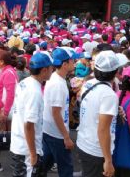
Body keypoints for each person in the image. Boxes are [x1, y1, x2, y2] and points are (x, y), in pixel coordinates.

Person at [77, 50, 120, 177]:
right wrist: (108, 160)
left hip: (84, 142)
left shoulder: (89, 83)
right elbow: (103, 129)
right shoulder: (109, 95)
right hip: (96, 151)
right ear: (115, 72)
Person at [10, 52, 53, 177]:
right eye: (51, 68)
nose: (52, 70)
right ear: (44, 70)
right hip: (26, 149)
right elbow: (29, 124)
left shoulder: (25, 82)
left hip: (20, 142)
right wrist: (33, 154)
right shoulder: (35, 92)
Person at [41, 48, 77, 177]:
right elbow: (55, 112)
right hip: (56, 133)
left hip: (50, 130)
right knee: (66, 167)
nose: (75, 62)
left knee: (45, 163)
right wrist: (66, 137)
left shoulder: (57, 79)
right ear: (64, 64)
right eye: (72, 60)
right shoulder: (58, 84)